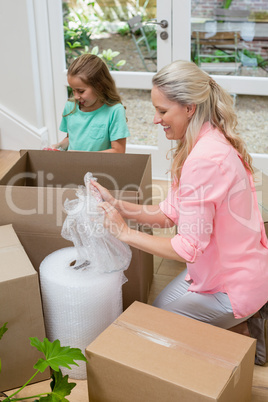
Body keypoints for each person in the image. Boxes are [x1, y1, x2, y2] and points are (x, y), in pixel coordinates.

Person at [91, 60, 268, 365]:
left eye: (162, 111)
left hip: (234, 284)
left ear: (189, 108)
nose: (156, 120)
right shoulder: (199, 142)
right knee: (159, 308)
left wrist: (124, 232)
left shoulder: (205, 159)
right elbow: (168, 213)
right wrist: (120, 206)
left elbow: (188, 246)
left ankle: (244, 328)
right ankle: (242, 321)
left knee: (160, 331)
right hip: (225, 267)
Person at [52, 53, 130, 153]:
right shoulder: (70, 106)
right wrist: (58, 146)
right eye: (73, 90)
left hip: (99, 168)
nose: (76, 96)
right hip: (74, 166)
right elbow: (70, 138)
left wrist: (82, 157)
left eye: (81, 91)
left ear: (99, 86)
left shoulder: (115, 111)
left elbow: (118, 151)